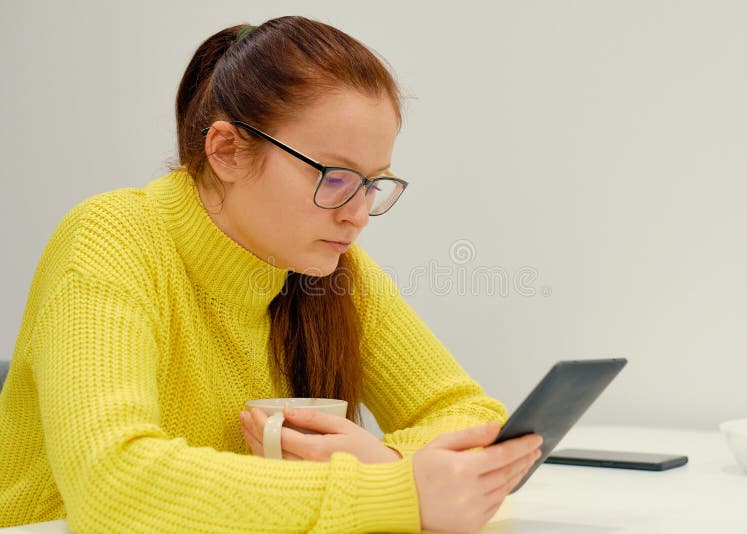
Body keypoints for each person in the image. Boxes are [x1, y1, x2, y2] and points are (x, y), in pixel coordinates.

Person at [0, 16, 542, 533]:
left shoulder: (328, 266)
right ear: (227, 151)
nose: (355, 212)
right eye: (334, 176)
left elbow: (468, 414)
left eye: (374, 183)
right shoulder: (111, 239)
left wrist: (386, 461)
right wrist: (395, 491)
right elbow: (112, 484)